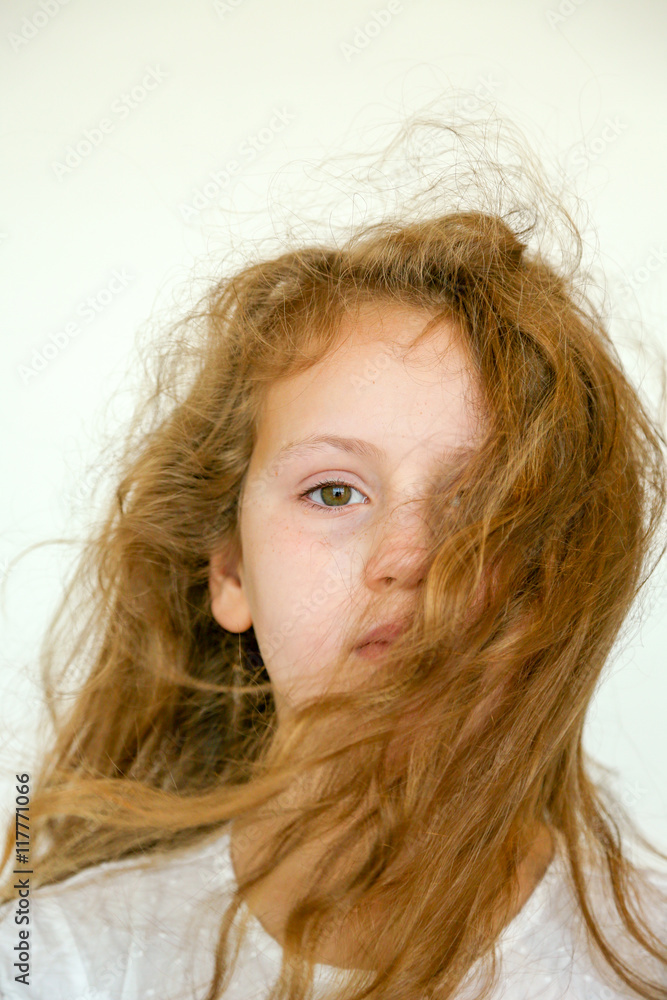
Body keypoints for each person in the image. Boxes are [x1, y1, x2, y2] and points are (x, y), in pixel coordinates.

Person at [1, 118, 667, 1000]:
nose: (409, 556)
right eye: (332, 493)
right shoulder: (56, 960)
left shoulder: (645, 960)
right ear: (230, 572)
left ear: (565, 572)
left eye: (483, 503)